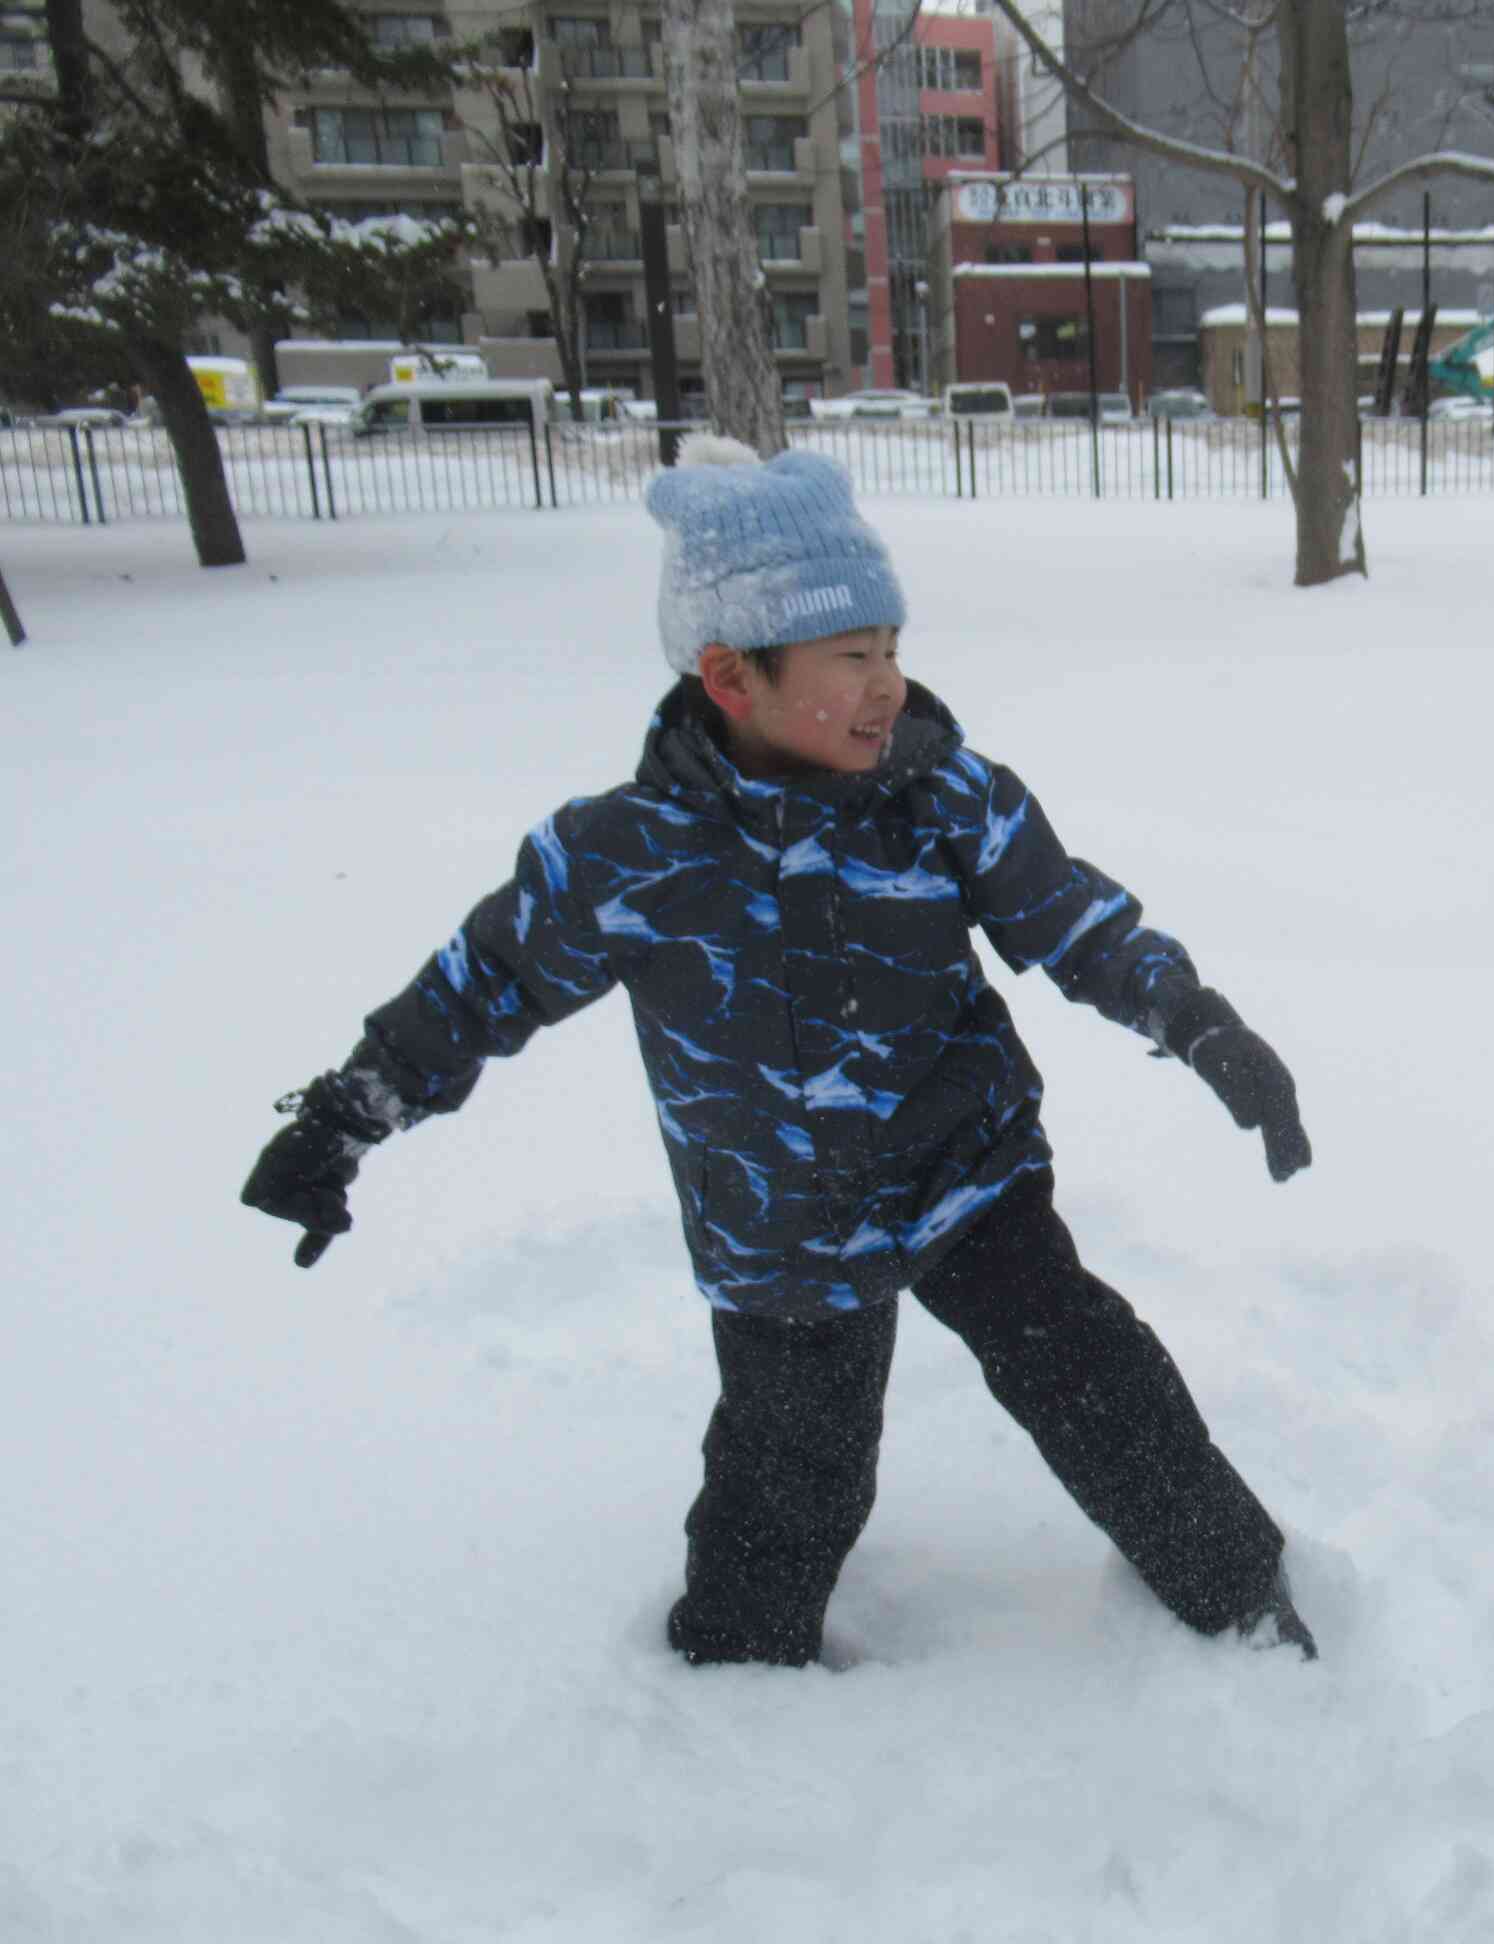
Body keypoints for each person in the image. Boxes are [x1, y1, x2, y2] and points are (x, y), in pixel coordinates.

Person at [241, 438, 1319, 1670]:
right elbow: (478, 989)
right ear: (728, 674)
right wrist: (341, 1122)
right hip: (778, 1222)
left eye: (895, 651)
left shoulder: (946, 799)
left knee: (1088, 1373)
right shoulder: (622, 857)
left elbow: (1071, 919)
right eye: (851, 658)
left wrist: (1203, 1026)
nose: (887, 688)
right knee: (792, 1463)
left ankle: (1238, 1593)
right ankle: (741, 1683)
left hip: (964, 1167)